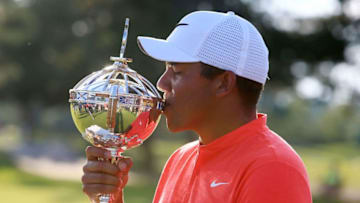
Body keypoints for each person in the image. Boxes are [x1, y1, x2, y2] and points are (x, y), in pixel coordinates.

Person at [82, 10, 312, 203]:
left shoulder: (272, 168)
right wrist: (110, 197)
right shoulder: (180, 158)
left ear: (223, 83)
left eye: (177, 72)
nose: (161, 83)